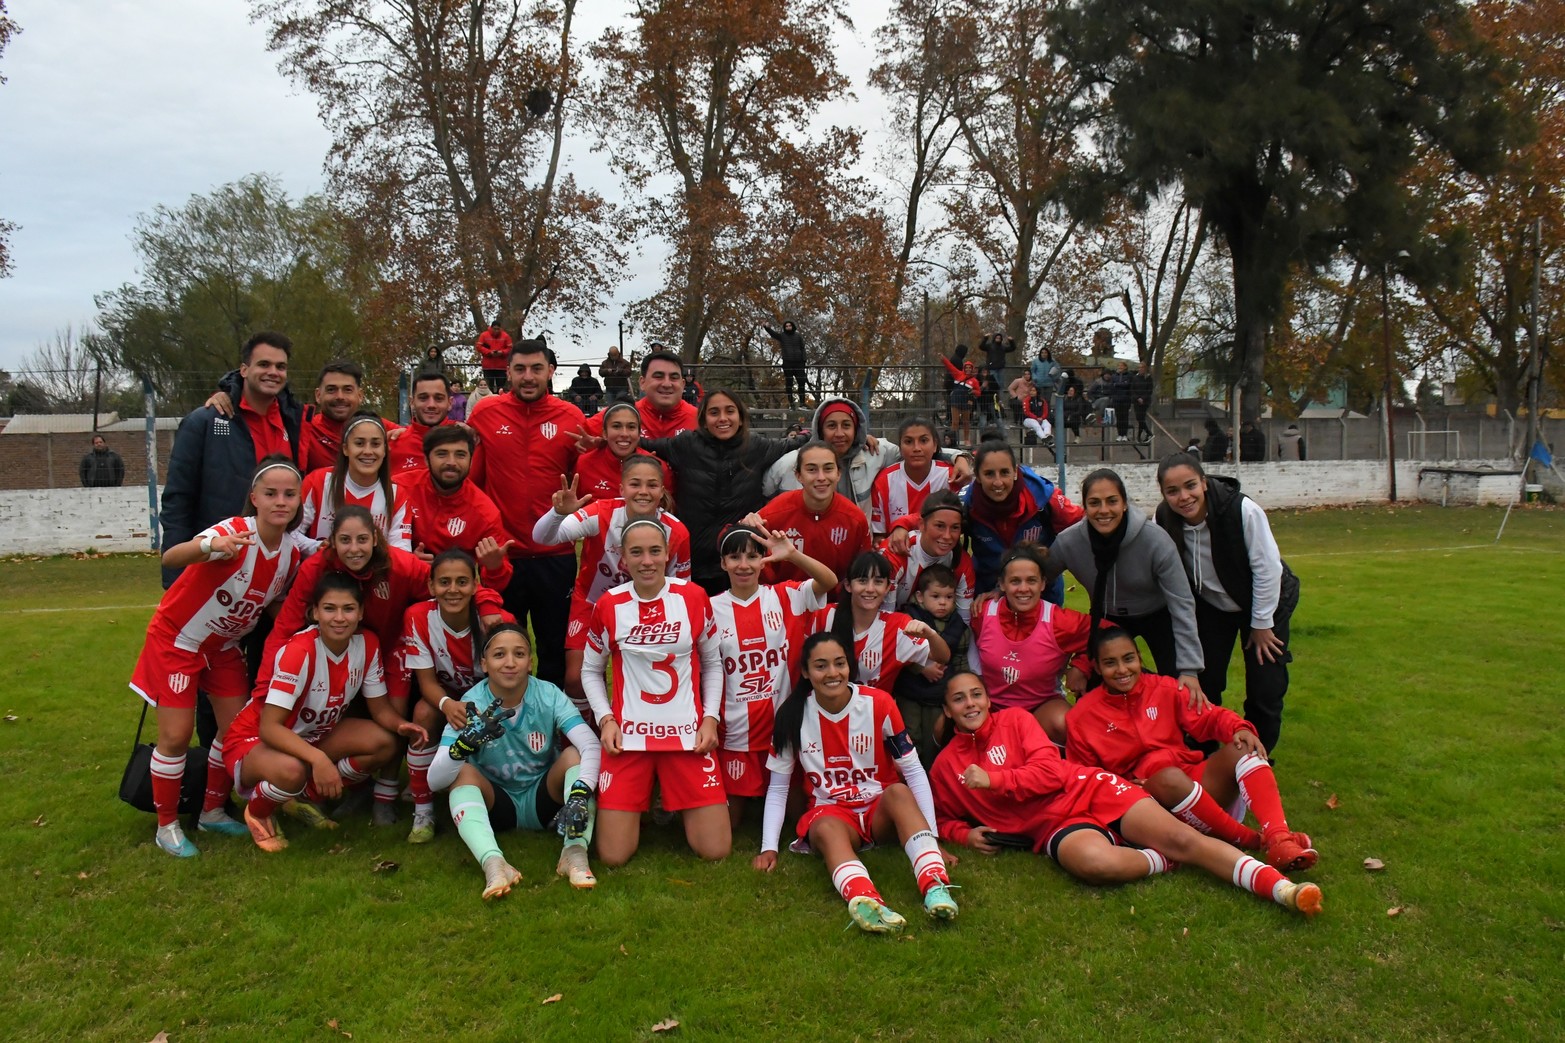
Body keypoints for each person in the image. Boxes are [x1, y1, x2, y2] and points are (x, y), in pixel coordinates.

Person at [933, 671, 1322, 917]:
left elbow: (1050, 772)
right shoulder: (945, 767)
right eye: (959, 699)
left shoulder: (1016, 719)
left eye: (977, 694)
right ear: (947, 711)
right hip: (1055, 826)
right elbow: (939, 816)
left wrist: (994, 781)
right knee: (1095, 865)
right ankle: (1168, 860)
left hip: (1089, 788)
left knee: (1185, 839)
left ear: (988, 698)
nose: (971, 704)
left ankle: (1283, 889)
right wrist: (961, 834)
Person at [256, 505, 509, 824]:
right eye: (345, 540)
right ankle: (345, 788)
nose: (354, 548)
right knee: (341, 714)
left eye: (362, 539)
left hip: (391, 648)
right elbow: (286, 625)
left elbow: (452, 584)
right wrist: (265, 687)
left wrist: (486, 603)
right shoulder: (317, 567)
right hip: (340, 649)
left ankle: (385, 795)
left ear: (376, 539)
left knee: (395, 716)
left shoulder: (399, 565)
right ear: (331, 542)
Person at [128, 456, 304, 857]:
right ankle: (167, 825)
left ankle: (211, 812)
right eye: (271, 493)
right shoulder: (234, 532)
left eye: (289, 494)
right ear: (254, 498)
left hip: (222, 648)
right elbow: (171, 557)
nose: (280, 501)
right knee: (174, 737)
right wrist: (210, 546)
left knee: (236, 733)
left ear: (298, 502)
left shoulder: (290, 553)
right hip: (179, 640)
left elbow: (271, 606)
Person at [754, 632, 958, 933]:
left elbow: (913, 771)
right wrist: (768, 847)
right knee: (823, 827)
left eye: (839, 663)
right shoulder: (792, 715)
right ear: (807, 672)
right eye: (821, 666)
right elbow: (779, 786)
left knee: (899, 791)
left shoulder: (879, 704)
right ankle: (867, 902)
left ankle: (935, 887)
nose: (832, 673)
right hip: (834, 815)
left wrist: (933, 838)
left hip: (879, 813)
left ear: (850, 666)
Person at [1066, 628, 1317, 872]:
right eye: (1110, 663)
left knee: (1242, 747)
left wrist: (1239, 728)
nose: (1122, 670)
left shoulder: (1164, 688)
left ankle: (1279, 838)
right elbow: (1084, 778)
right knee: (1169, 778)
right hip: (1144, 806)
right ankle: (1253, 841)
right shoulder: (1081, 717)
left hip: (1190, 786)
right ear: (1097, 668)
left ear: (1139, 658)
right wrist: (1125, 789)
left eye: (1128, 659)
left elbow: (1209, 717)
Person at [223, 572, 427, 853]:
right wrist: (319, 760)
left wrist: (402, 725)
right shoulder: (299, 651)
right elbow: (269, 728)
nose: (339, 618)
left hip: (310, 734)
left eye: (348, 609)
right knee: (293, 770)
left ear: (361, 612)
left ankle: (302, 796)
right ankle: (259, 811)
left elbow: (379, 709)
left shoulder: (366, 644)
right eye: (330, 609)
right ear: (315, 612)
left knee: (386, 742)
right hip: (254, 741)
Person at [580, 520, 731, 865]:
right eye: (636, 552)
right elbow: (589, 669)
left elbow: (711, 662)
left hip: (687, 737)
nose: (646, 560)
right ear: (622, 559)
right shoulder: (609, 605)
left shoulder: (693, 597)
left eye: (654, 551)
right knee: (613, 856)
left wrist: (710, 719)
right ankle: (652, 797)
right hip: (629, 739)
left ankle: (668, 796)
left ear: (667, 555)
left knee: (715, 850)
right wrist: (606, 720)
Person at [426, 624, 603, 896]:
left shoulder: (549, 695)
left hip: (545, 800)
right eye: (499, 655)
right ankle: (493, 863)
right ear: (484, 664)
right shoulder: (471, 703)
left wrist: (579, 793)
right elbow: (434, 780)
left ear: (530, 661)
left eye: (519, 654)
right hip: (497, 805)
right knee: (461, 773)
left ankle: (575, 853)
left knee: (573, 756)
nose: (510, 663)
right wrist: (461, 747)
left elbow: (591, 744)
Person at [1155, 453, 1300, 751]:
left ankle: (1257, 758)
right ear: (1163, 494)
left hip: (1265, 603)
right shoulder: (1164, 518)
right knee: (1204, 681)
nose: (1183, 497)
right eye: (1172, 491)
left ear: (1204, 483)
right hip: (1212, 606)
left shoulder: (1242, 510)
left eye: (1190, 485)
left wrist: (1261, 624)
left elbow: (1267, 568)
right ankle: (1203, 755)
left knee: (1265, 686)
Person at [467, 336, 585, 687]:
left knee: (553, 647)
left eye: (536, 368)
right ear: (508, 372)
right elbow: (471, 481)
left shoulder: (571, 416)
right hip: (503, 555)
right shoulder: (485, 413)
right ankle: (504, 724)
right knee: (502, 647)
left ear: (551, 371)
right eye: (520, 369)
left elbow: (582, 482)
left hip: (556, 555)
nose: (528, 376)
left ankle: (549, 721)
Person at [532, 459, 692, 715]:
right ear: (621, 489)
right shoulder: (601, 513)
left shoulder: (677, 531)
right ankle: (586, 739)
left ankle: (630, 730)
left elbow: (682, 589)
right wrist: (558, 514)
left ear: (662, 492)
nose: (643, 491)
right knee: (575, 679)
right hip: (593, 602)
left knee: (640, 682)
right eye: (635, 484)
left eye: (652, 485)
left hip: (645, 609)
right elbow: (542, 537)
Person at [1044, 468, 1208, 704]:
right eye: (1094, 503)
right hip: (1105, 616)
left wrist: (1190, 670)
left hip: (1158, 614)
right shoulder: (1069, 542)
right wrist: (1002, 590)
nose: (1103, 510)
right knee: (1094, 687)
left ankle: (1188, 737)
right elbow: (1036, 578)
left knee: (1181, 686)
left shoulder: (1155, 540)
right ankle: (1108, 736)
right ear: (1085, 506)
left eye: (1112, 501)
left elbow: (1182, 603)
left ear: (1124, 504)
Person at [711, 522, 836, 827]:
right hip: (735, 733)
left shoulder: (785, 596)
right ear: (723, 563)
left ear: (763, 561)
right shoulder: (709, 608)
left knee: (800, 819)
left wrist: (793, 556)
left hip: (782, 731)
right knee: (727, 825)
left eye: (752, 557)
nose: (744, 565)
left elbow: (829, 580)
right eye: (735, 558)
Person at [162, 332, 304, 590]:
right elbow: (178, 500)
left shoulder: (294, 421)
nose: (273, 372)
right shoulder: (205, 421)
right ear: (243, 369)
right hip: (216, 569)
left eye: (280, 366)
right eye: (264, 364)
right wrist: (176, 576)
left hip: (271, 574)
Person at [641, 389, 807, 595]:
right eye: (714, 412)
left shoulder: (756, 446)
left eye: (730, 411)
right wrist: (602, 442)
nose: (723, 419)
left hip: (739, 560)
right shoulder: (685, 444)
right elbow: (643, 445)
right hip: (694, 560)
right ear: (703, 418)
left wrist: (808, 433)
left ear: (740, 416)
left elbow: (794, 444)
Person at [400, 548, 513, 843]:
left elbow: (511, 679)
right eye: (444, 582)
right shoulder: (417, 617)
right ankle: (423, 810)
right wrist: (447, 704)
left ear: (476, 585)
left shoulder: (496, 621)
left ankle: (503, 791)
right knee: (423, 714)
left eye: (462, 582)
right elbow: (425, 681)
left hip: (492, 697)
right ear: (431, 586)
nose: (453, 590)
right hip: (448, 695)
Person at [886, 440, 1080, 602]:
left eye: (1004, 472)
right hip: (988, 593)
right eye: (989, 474)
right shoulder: (967, 504)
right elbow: (934, 515)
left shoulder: (1044, 499)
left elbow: (1082, 526)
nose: (997, 482)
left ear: (1015, 471)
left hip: (1039, 591)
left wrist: (1050, 565)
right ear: (977, 476)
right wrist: (902, 525)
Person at [966, 543, 1098, 746]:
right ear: (1001, 584)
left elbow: (1105, 632)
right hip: (990, 707)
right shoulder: (982, 613)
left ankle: (1067, 771)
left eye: (1032, 581)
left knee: (1065, 723)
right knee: (945, 723)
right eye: (1015, 581)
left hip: (1041, 707)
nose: (1023, 589)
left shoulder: (1058, 621)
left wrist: (1080, 666)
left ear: (1043, 584)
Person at [814, 551, 949, 690]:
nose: (870, 589)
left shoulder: (898, 626)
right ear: (848, 585)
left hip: (875, 711)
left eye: (878, 582)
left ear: (887, 588)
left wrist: (931, 635)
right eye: (862, 581)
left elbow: (942, 657)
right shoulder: (824, 615)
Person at [752, 442, 872, 591]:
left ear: (838, 473)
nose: (821, 477)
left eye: (828, 469)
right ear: (798, 475)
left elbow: (864, 570)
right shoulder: (776, 511)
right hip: (783, 606)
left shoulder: (855, 519)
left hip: (833, 606)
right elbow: (727, 539)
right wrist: (745, 526)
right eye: (812, 470)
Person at [397, 425, 515, 563]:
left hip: (454, 583)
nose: (451, 462)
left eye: (460, 455)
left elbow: (497, 580)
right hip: (401, 580)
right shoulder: (399, 489)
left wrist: (494, 567)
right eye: (442, 454)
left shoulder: (485, 513)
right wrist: (407, 561)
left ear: (471, 461)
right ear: (426, 460)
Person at [891, 565, 970, 768]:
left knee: (934, 740)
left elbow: (961, 662)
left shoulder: (958, 626)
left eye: (949, 597)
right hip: (910, 692)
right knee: (911, 737)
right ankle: (910, 783)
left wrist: (961, 687)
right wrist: (921, 667)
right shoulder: (910, 619)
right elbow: (898, 653)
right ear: (919, 596)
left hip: (940, 695)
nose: (943, 602)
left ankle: (933, 781)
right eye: (935, 596)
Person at [297, 413, 410, 554]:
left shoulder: (397, 493)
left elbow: (402, 551)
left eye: (375, 444)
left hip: (375, 574)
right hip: (323, 573)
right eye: (359, 443)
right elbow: (291, 533)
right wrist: (317, 547)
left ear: (385, 450)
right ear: (345, 448)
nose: (368, 451)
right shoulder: (317, 481)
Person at [879, 491, 975, 621]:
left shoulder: (962, 563)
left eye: (955, 528)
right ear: (922, 525)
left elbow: (965, 623)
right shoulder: (895, 551)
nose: (947, 536)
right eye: (939, 526)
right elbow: (884, 619)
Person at [581, 348, 696, 439]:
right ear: (642, 382)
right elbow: (577, 434)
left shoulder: (700, 419)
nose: (667, 384)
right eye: (658, 376)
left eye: (673, 377)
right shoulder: (618, 415)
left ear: (683, 384)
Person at [573, 401, 672, 500]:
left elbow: (667, 509)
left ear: (639, 434)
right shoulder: (584, 464)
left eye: (631, 427)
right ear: (604, 433)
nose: (624, 434)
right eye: (616, 426)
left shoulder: (658, 467)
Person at [870, 418, 954, 536]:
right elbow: (879, 536)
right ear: (900, 448)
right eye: (908, 442)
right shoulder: (883, 481)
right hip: (897, 552)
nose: (916, 448)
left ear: (934, 445)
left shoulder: (951, 476)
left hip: (942, 550)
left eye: (923, 440)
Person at [388, 369, 457, 477]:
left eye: (438, 398)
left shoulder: (467, 441)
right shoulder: (393, 445)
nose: (431, 404)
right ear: (412, 402)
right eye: (423, 398)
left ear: (450, 403)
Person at [764, 320, 809, 408]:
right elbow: (773, 334)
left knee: (801, 382)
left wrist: (804, 360)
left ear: (792, 326)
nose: (788, 327)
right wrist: (767, 328)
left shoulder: (798, 336)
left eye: (790, 326)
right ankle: (791, 403)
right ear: (785, 328)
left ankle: (802, 403)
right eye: (786, 326)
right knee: (789, 383)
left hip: (799, 363)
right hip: (787, 362)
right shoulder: (782, 336)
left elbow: (802, 347)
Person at [941, 353, 980, 446]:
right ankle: (953, 440)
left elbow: (978, 392)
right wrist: (943, 359)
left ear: (972, 369)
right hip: (955, 400)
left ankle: (967, 440)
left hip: (966, 402)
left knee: (966, 421)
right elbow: (950, 367)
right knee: (955, 422)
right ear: (964, 368)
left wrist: (973, 391)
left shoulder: (974, 381)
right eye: (966, 367)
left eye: (970, 368)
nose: (968, 369)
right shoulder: (958, 374)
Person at [476, 319, 513, 394]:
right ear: (491, 328)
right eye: (495, 329)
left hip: (501, 367)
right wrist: (489, 352)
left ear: (500, 328)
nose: (496, 331)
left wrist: (502, 352)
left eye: (498, 329)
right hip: (488, 366)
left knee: (501, 387)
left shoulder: (505, 336)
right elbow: (479, 346)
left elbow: (510, 348)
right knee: (489, 387)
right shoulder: (484, 335)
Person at [1130, 361, 1155, 442]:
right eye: (1139, 368)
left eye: (1142, 368)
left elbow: (1149, 390)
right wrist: (1137, 398)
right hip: (1136, 400)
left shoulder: (1148, 378)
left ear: (1145, 369)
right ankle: (1144, 434)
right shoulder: (1135, 378)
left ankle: (1145, 434)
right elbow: (1132, 389)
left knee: (1141, 418)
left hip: (1145, 401)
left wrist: (1143, 398)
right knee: (1140, 418)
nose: (1140, 369)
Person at [1109, 361, 1134, 442]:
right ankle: (1120, 434)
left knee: (1125, 417)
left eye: (1121, 366)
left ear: (1125, 367)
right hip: (1116, 399)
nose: (1119, 367)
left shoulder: (1129, 375)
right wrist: (1121, 384)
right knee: (1119, 417)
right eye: (1118, 366)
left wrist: (1118, 384)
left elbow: (1128, 385)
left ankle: (1125, 435)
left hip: (1126, 399)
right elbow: (1112, 386)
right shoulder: (1114, 376)